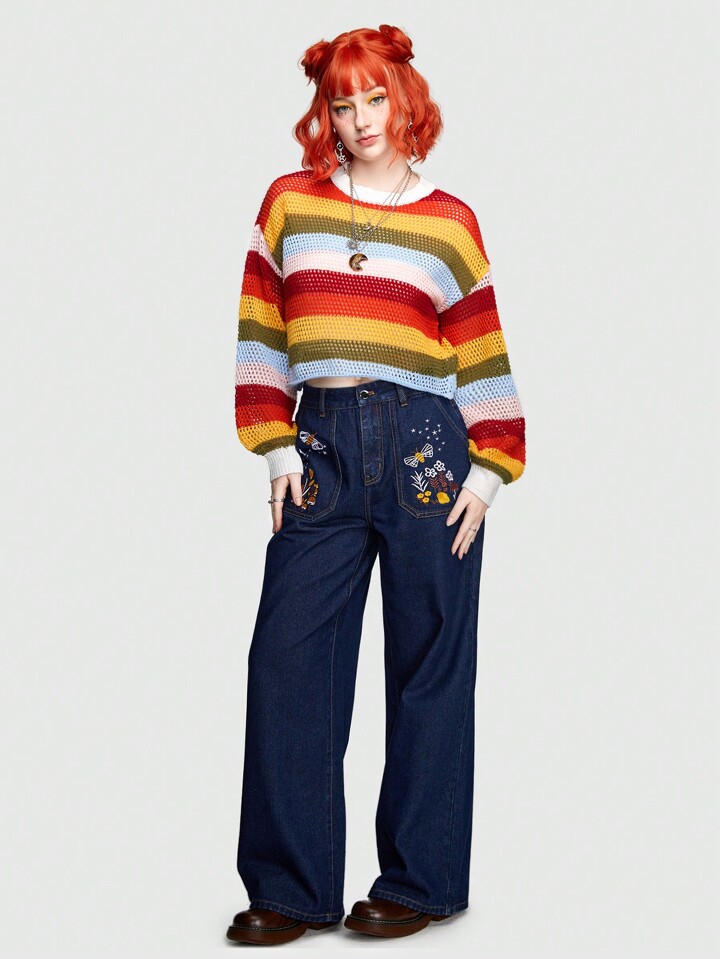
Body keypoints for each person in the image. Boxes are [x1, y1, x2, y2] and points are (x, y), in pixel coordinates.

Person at [227, 24, 526, 946]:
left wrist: (492, 465)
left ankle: (422, 880)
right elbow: (259, 330)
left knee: (431, 663)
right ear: (325, 113)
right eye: (342, 103)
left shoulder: (450, 220)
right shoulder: (290, 203)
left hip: (428, 450)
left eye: (375, 98)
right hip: (319, 444)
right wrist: (276, 449)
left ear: (405, 101)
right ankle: (291, 888)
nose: (360, 120)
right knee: (289, 662)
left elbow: (481, 347)